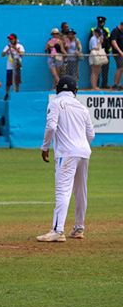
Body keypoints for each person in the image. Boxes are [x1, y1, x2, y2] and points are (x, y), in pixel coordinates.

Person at [37, 76, 94, 242]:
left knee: (63, 191)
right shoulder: (82, 108)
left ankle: (58, 230)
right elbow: (91, 134)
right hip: (84, 152)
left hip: (67, 153)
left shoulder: (55, 103)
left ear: (57, 89)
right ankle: (78, 228)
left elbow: (51, 126)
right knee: (80, 191)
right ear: (75, 91)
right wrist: (81, 145)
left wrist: (45, 147)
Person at [88, 16, 111, 88]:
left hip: (103, 53)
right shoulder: (93, 33)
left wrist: (108, 51)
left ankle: (103, 85)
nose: (101, 23)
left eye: (102, 22)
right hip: (96, 54)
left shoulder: (106, 30)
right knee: (95, 71)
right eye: (99, 22)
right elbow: (94, 47)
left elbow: (108, 42)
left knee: (102, 70)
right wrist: (100, 42)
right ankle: (95, 85)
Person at [1, 33, 25, 100]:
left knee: (17, 81)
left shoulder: (20, 46)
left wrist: (15, 49)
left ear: (15, 39)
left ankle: (17, 93)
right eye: (9, 39)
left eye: (12, 39)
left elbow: (22, 54)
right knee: (8, 82)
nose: (10, 40)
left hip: (17, 66)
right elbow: (2, 55)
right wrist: (8, 49)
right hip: (9, 66)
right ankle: (7, 93)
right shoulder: (7, 46)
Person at [111, 20, 123, 90]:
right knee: (120, 67)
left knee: (121, 68)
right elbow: (113, 42)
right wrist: (120, 51)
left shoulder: (121, 32)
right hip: (118, 53)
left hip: (122, 53)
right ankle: (116, 84)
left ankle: (118, 84)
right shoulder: (115, 31)